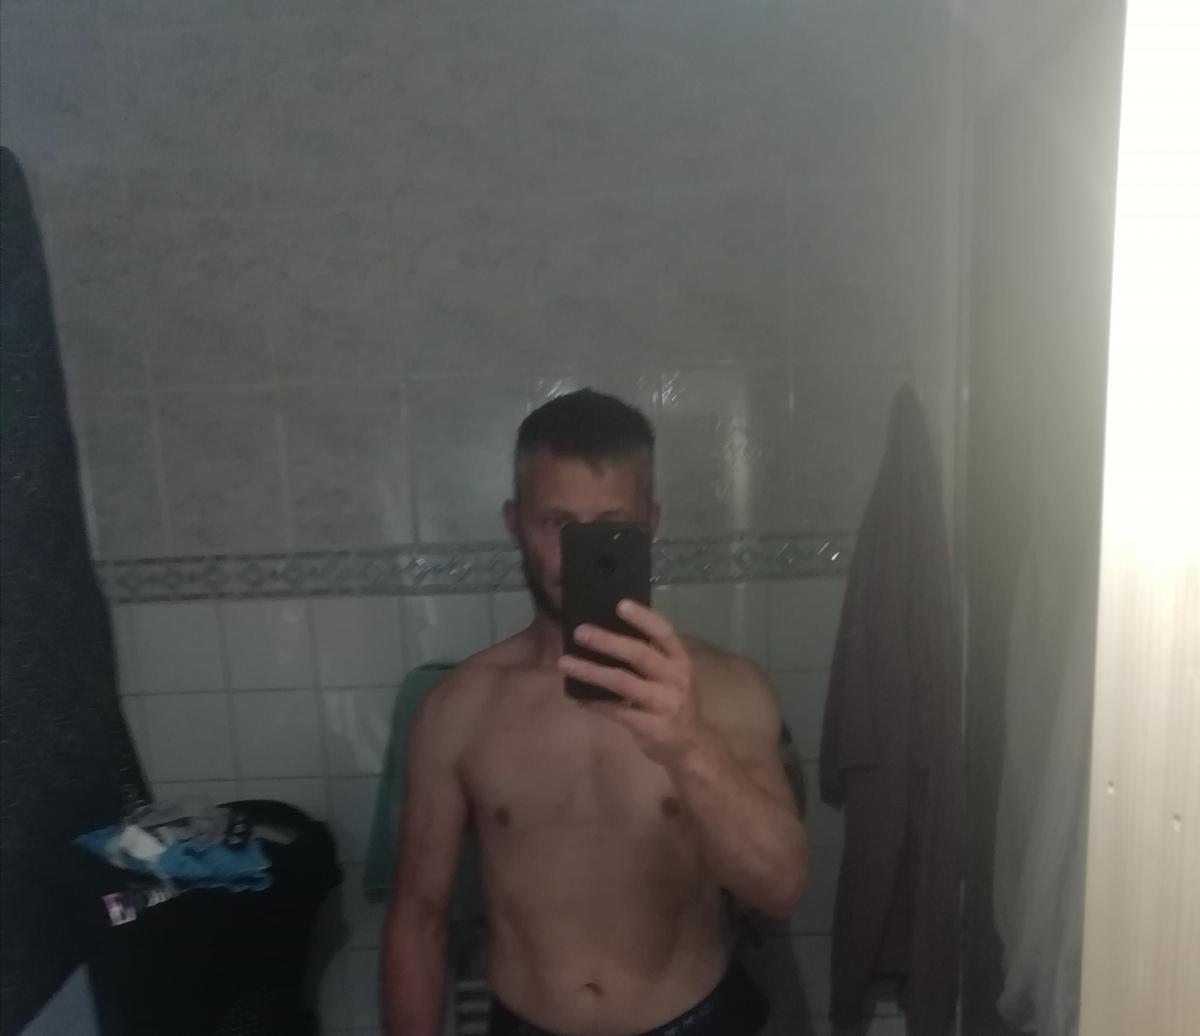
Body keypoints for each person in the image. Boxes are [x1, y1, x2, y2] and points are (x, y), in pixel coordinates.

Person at [382, 389, 807, 1036]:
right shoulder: (459, 708)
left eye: (611, 525)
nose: (575, 553)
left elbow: (780, 888)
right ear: (514, 522)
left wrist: (689, 745)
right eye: (556, 523)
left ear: (650, 524)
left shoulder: (726, 689)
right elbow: (417, 918)